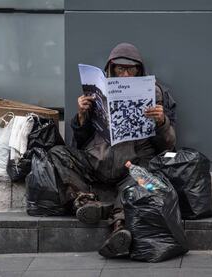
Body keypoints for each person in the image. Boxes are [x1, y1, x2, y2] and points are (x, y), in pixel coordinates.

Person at [50, 42, 176, 258]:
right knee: (57, 154)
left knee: (147, 177)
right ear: (110, 69)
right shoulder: (98, 92)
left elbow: (169, 147)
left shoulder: (156, 94)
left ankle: (119, 227)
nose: (125, 74)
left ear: (139, 70)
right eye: (120, 69)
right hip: (95, 161)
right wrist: (81, 116)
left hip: (132, 165)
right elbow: (77, 142)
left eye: (130, 69)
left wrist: (161, 121)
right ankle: (87, 202)